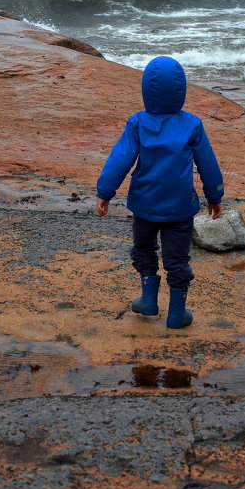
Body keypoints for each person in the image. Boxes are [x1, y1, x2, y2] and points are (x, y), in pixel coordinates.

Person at [96, 56, 224, 329]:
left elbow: (121, 158)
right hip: (180, 208)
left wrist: (105, 192)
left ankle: (149, 301)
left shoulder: (138, 123)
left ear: (147, 89)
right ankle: (177, 314)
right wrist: (215, 197)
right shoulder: (192, 124)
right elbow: (208, 163)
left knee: (144, 249)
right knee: (177, 259)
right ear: (181, 89)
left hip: (144, 204)